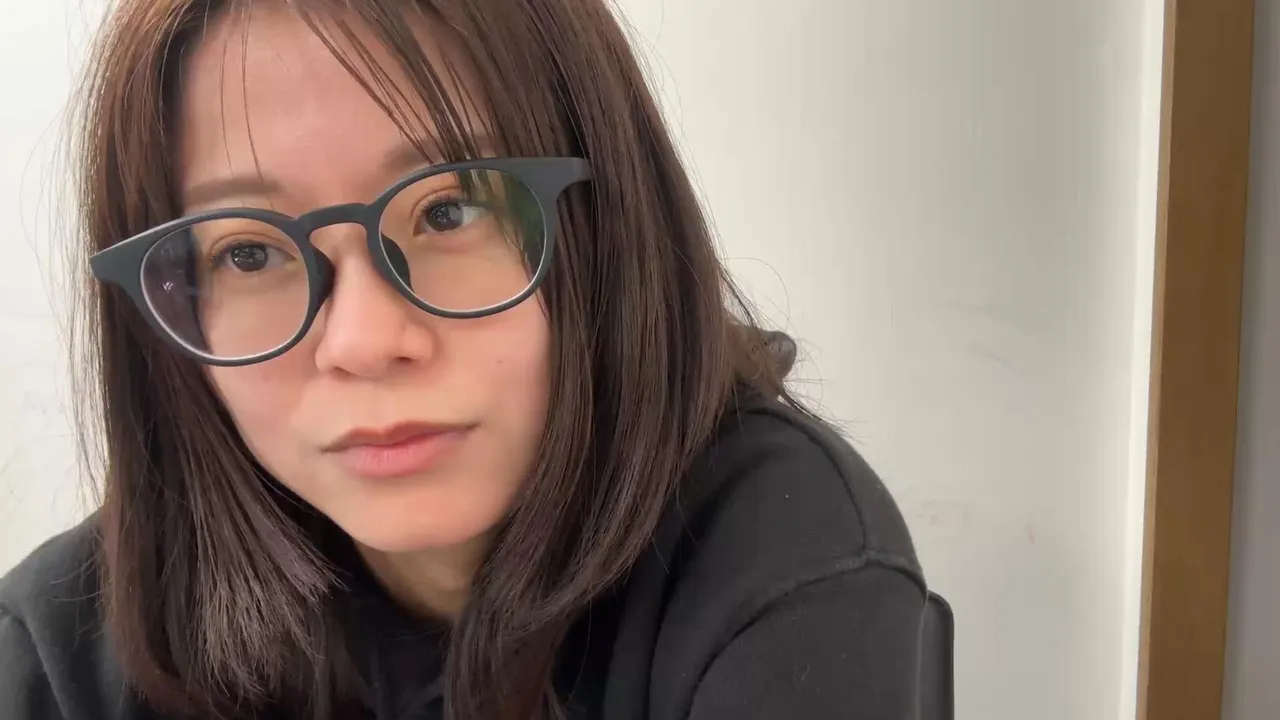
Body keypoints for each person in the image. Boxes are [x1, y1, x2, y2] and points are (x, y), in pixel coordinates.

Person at [0, 1, 929, 718]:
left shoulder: (778, 555)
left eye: (450, 209)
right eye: (248, 253)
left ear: (609, 225)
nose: (363, 342)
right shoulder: (57, 650)